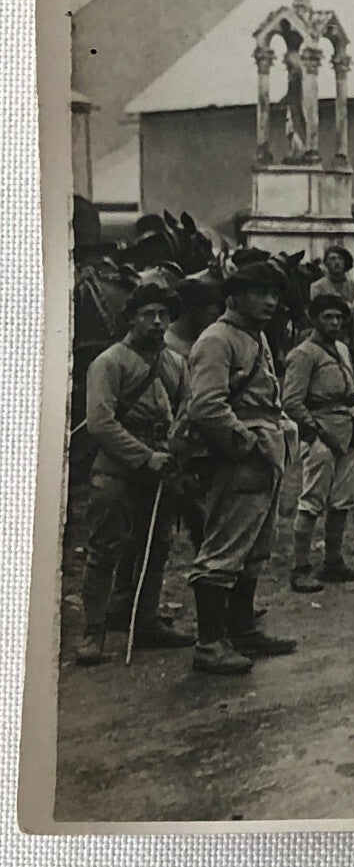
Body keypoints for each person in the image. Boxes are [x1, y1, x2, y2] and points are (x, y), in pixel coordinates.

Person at [184, 261, 299, 675]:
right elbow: (206, 406)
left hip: (264, 454)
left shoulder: (254, 336)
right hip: (238, 458)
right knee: (223, 550)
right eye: (259, 292)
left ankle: (242, 628)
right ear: (234, 296)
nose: (270, 301)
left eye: (273, 293)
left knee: (254, 548)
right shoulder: (218, 339)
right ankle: (210, 643)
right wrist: (245, 444)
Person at [76, 282, 194, 665]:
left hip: (160, 471)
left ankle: (145, 622)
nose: (157, 322)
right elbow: (100, 423)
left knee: (153, 548)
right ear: (132, 318)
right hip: (117, 470)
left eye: (163, 315)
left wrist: (176, 445)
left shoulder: (176, 362)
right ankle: (93, 632)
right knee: (104, 549)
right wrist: (145, 457)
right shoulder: (110, 362)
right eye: (148, 315)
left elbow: (185, 409)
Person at [282, 293, 354, 592]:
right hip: (320, 432)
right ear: (314, 319)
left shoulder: (342, 349)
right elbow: (292, 401)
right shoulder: (304, 353)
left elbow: (352, 391)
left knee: (343, 499)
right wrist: (314, 433)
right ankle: (300, 568)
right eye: (327, 317)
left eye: (338, 317)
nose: (334, 323)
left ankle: (333, 562)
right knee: (312, 502)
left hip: (349, 429)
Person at [164, 272, 224, 362]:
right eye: (208, 308)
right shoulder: (166, 345)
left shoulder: (204, 340)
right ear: (192, 310)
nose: (216, 313)